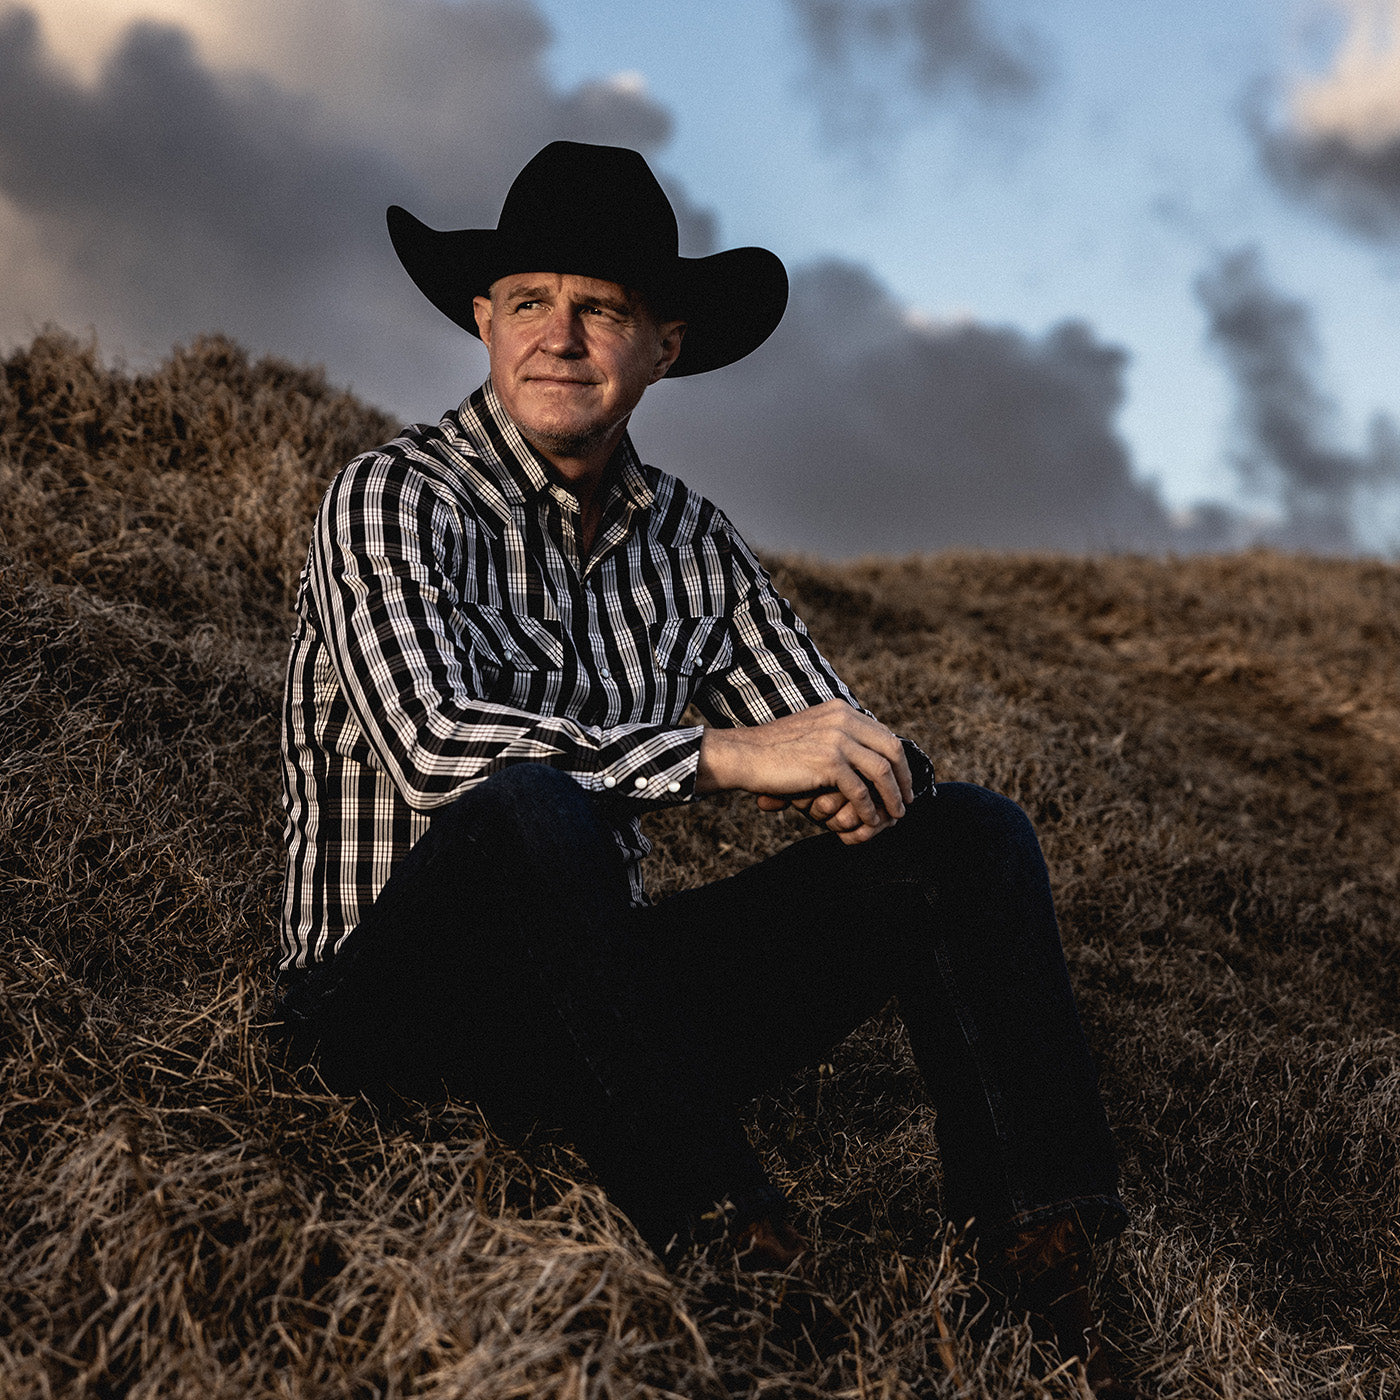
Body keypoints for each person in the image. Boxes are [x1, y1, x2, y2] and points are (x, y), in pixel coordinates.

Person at [274, 140, 1134, 1394]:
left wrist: (870, 772)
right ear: (482, 318)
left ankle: (1035, 1245)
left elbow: (840, 737)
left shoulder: (689, 543)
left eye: (601, 309)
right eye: (528, 302)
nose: (558, 337)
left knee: (965, 836)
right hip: (388, 1008)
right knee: (526, 802)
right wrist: (721, 754)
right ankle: (733, 1231)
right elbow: (431, 747)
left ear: (662, 343)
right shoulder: (390, 499)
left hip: (593, 1010)